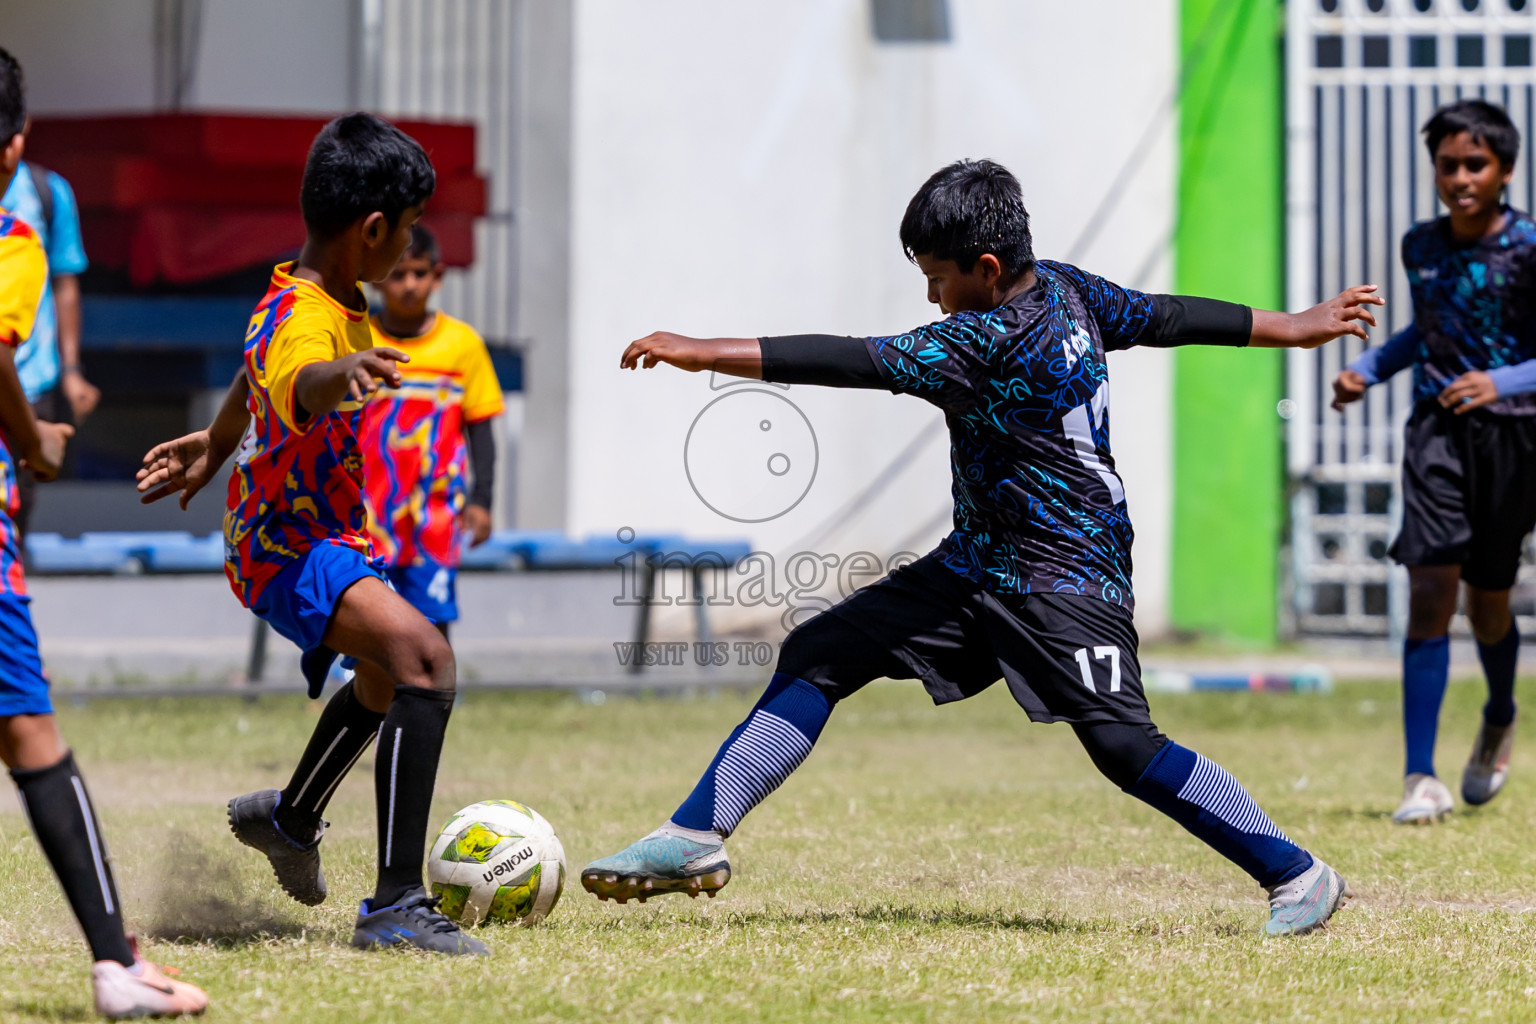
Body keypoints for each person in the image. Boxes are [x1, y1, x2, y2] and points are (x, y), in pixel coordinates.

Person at [585, 158, 1383, 936]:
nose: (931, 297)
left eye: (938, 278)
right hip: (980, 564)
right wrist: (1291, 326)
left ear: (989, 266)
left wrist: (704, 350)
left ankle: (1298, 874)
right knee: (821, 651)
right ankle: (695, 836)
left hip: (1065, 573)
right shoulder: (1070, 288)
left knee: (1121, 745)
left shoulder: (979, 341)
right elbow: (1167, 315)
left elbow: (849, 359)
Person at [135, 113, 486, 955]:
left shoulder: (312, 291)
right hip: (288, 548)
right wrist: (342, 374)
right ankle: (397, 903)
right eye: (404, 235)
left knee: (379, 679)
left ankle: (289, 819)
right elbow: (295, 372)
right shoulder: (310, 321)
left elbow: (254, 371)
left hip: (315, 536)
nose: (406, 248)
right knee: (424, 660)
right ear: (372, 231)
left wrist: (216, 445)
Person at [0, 48, 207, 1019]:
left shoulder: (48, 213)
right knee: (30, 726)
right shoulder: (11, 235)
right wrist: (31, 433)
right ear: (16, 143)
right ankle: (115, 963)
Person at [1332, 99, 1536, 824]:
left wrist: (1502, 382)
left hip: (1514, 441)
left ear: (1505, 170)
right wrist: (1371, 367)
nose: (1459, 177)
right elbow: (1433, 327)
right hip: (1437, 437)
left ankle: (1501, 713)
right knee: (1429, 591)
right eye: (1447, 164)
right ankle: (1420, 777)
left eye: (1474, 164)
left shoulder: (1528, 248)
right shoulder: (1421, 245)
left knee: (1487, 605)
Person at [359, 223, 502, 636]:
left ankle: (428, 701)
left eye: (419, 273)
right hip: (367, 518)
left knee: (431, 634)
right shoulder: (358, 339)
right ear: (378, 279)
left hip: (433, 521)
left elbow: (481, 428)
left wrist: (482, 500)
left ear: (437, 277)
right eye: (397, 274)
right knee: (367, 631)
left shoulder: (462, 345)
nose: (408, 285)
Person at [0, 128, 97, 535]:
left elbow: (65, 282)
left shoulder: (47, 192)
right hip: (10, 375)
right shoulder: (18, 239)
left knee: (15, 514)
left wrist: (71, 369)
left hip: (31, 379)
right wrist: (35, 441)